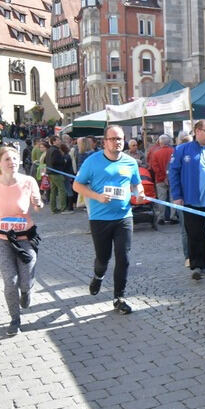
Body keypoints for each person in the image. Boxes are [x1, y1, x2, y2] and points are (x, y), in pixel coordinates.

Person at [73, 125, 144, 315]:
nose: (117, 142)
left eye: (120, 138)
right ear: (104, 142)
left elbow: (136, 184)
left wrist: (140, 193)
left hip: (123, 217)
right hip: (99, 218)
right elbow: (77, 185)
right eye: (113, 139)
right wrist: (97, 197)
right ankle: (98, 275)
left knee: (124, 257)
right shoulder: (92, 161)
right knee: (103, 258)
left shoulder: (130, 162)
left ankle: (119, 297)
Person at [0, 147, 43, 336]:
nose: (12, 162)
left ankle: (26, 292)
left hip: (26, 238)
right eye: (7, 159)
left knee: (25, 281)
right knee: (10, 280)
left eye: (15, 158)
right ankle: (15, 319)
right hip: (1, 238)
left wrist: (38, 203)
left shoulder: (29, 181)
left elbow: (38, 207)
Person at [169, 120, 205, 280]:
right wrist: (177, 196)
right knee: (193, 233)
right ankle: (196, 265)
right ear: (197, 131)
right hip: (190, 200)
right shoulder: (182, 150)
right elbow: (173, 173)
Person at [148, 135, 176, 225]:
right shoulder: (174, 152)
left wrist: (163, 177)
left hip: (160, 179)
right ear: (169, 142)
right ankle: (173, 217)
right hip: (172, 178)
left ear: (160, 143)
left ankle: (161, 217)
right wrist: (168, 177)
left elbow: (155, 167)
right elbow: (175, 166)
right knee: (173, 198)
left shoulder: (156, 153)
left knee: (161, 199)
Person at [44, 140, 67, 214]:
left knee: (53, 191)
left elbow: (46, 160)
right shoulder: (56, 151)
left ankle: (53, 208)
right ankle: (63, 208)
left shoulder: (49, 150)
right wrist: (63, 161)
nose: (60, 141)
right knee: (62, 190)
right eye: (58, 140)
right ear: (54, 142)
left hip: (50, 172)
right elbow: (55, 161)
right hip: (56, 173)